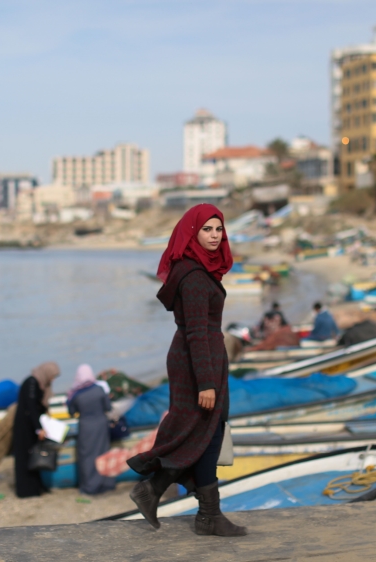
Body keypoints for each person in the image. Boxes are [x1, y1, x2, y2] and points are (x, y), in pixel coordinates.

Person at [127, 203, 247, 537]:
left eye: (218, 229)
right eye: (206, 229)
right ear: (192, 232)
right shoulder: (193, 276)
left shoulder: (198, 270)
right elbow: (195, 331)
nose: (214, 236)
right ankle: (207, 515)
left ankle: (160, 494)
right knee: (201, 432)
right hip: (197, 360)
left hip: (203, 356)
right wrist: (206, 383)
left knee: (206, 432)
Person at [67, 364, 116, 495]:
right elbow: (108, 407)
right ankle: (107, 483)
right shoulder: (100, 389)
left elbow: (71, 412)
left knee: (87, 456)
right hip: (101, 424)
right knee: (103, 452)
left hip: (86, 426)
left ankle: (89, 486)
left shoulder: (75, 394)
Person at [13, 361, 60, 498]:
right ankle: (26, 490)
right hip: (25, 427)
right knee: (25, 457)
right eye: (52, 376)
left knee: (34, 456)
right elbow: (31, 407)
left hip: (32, 425)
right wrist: (39, 429)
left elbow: (39, 406)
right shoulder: (32, 383)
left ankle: (37, 486)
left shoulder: (41, 384)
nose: (52, 379)